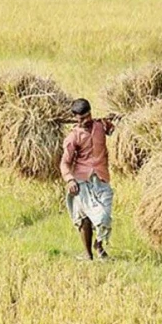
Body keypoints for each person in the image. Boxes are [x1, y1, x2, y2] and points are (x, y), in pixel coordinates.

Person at [60, 98, 115, 260]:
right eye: (79, 119)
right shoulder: (73, 137)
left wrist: (117, 120)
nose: (83, 122)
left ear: (90, 113)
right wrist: (69, 179)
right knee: (84, 218)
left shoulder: (100, 126)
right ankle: (88, 253)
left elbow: (113, 130)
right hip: (82, 180)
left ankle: (99, 245)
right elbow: (64, 162)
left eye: (85, 117)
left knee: (104, 216)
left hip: (102, 177)